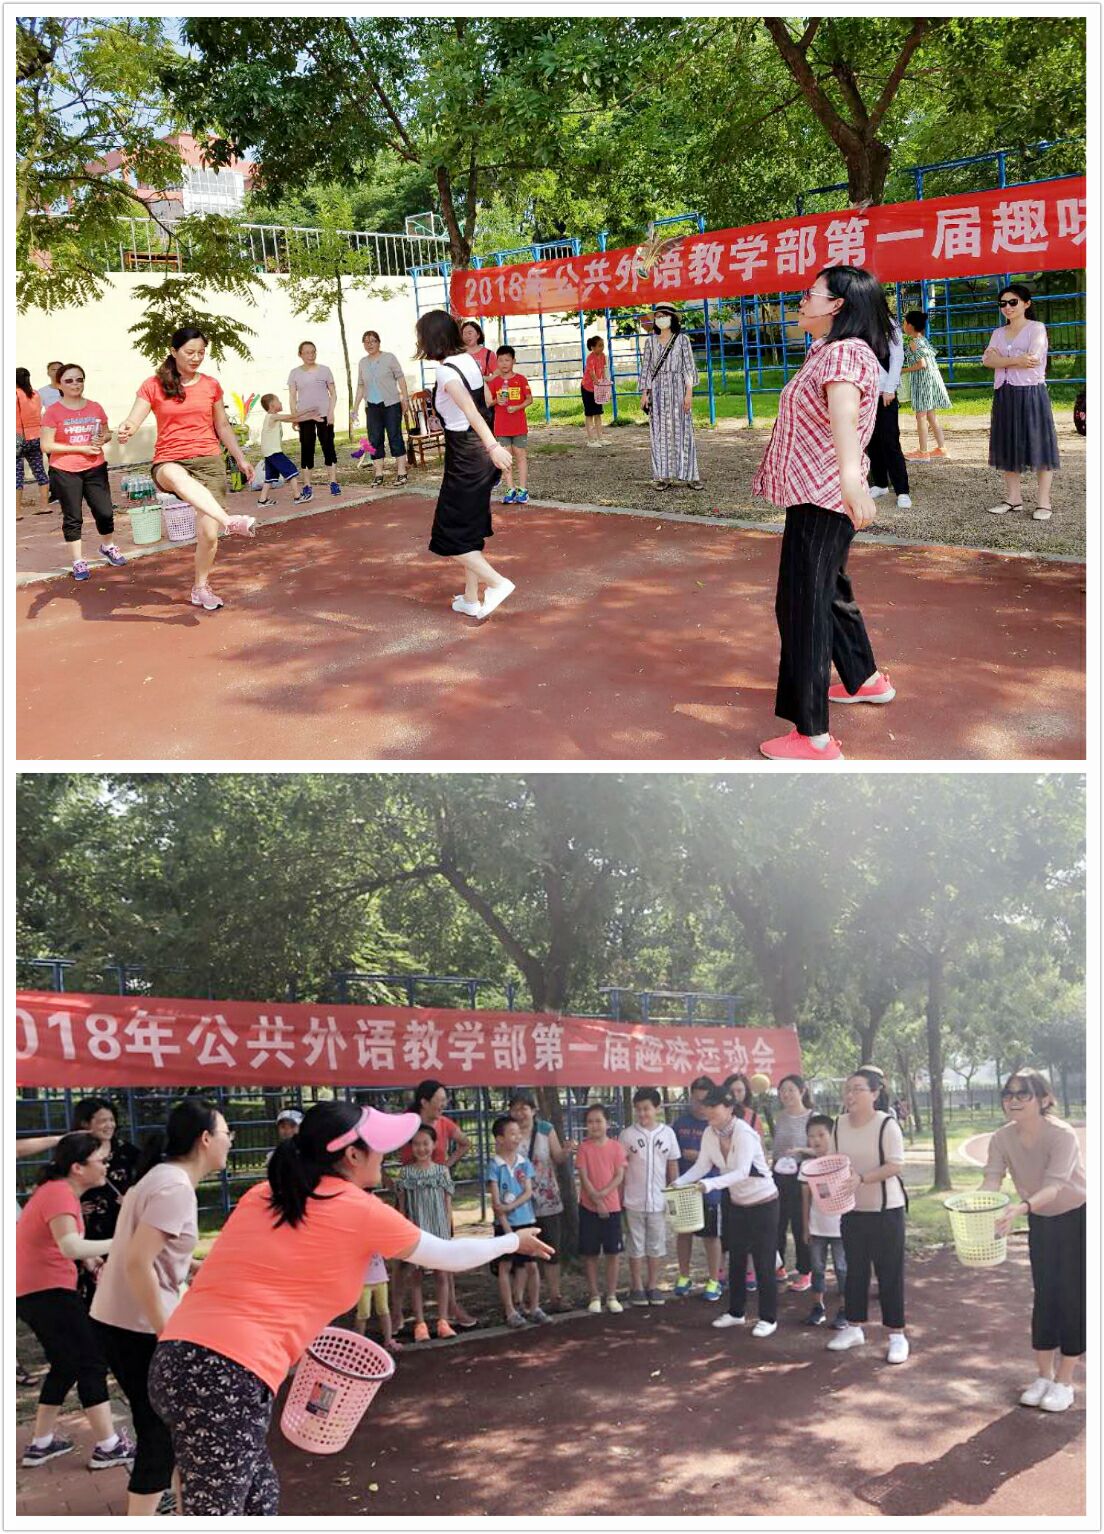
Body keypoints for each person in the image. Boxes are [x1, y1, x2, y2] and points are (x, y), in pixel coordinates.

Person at [147, 1101, 552, 1515]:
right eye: (378, 1146)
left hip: (183, 1359)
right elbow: (447, 1254)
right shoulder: (356, 1208)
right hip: (223, 1375)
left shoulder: (266, 1194)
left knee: (258, 1497)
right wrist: (513, 1241)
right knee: (216, 1513)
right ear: (353, 1155)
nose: (388, 1154)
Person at [752, 264, 895, 762]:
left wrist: (852, 481)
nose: (801, 301)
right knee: (828, 591)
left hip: (823, 496)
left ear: (837, 304)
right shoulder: (828, 349)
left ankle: (811, 735)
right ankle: (864, 678)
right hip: (816, 494)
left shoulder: (844, 354)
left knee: (802, 606)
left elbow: (846, 416)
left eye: (810, 294)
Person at [89, 1098, 230, 1517]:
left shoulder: (161, 1177)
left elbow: (146, 1252)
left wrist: (192, 1268)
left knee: (163, 1427)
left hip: (118, 1320)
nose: (231, 1141)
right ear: (205, 1139)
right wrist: (165, 1331)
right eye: (227, 1133)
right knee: (161, 1432)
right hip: (136, 1326)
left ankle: (167, 1505)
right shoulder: (174, 1188)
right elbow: (137, 1262)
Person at [16, 1133, 135, 1471]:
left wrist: (91, 1261)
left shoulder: (56, 1191)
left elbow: (62, 1243)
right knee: (91, 1362)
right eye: (101, 1161)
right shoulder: (59, 1194)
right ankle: (109, 1446)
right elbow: (69, 1246)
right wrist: (121, 1241)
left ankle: (41, 1443)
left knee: (67, 1364)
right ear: (78, 1167)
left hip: (35, 1290)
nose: (106, 1167)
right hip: (46, 1291)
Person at [116, 327, 257, 612]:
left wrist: (240, 458)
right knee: (176, 477)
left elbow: (222, 426)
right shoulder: (153, 385)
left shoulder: (211, 385)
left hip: (209, 461)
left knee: (209, 535)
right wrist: (126, 428)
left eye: (201, 353)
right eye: (190, 352)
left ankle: (200, 587)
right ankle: (229, 521)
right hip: (169, 460)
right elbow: (133, 419)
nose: (196, 358)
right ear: (173, 351)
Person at [981, 1068, 1085, 1413]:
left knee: (1072, 1296)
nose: (1013, 1101)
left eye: (1022, 1094)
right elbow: (992, 1180)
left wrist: (1020, 1208)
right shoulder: (1002, 1138)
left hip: (1076, 1218)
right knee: (1044, 1295)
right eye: (1008, 1094)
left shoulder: (1061, 1134)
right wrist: (981, 1209)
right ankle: (1043, 1376)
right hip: (1041, 1220)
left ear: (1043, 1099)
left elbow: (1055, 1186)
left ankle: (1065, 1381)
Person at [414, 309, 515, 621]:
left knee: (448, 533)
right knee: (468, 529)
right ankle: (471, 598)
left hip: (467, 456)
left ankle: (496, 583)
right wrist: (490, 446)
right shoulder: (468, 361)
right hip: (477, 455)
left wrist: (493, 446)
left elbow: (471, 410)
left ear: (431, 339)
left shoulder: (446, 372)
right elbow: (485, 402)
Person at [672, 1086, 780, 1338]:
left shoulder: (745, 1133)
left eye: (713, 1106)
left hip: (764, 1203)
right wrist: (679, 1182)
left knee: (763, 1262)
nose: (707, 1110)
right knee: (736, 1259)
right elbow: (702, 1165)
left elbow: (741, 1172)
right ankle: (736, 1312)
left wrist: (709, 1185)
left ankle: (768, 1318)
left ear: (729, 1108)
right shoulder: (709, 1132)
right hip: (737, 1204)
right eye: (705, 1106)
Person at [827, 1067, 909, 1364]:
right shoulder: (838, 1125)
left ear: (875, 1093)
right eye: (847, 1089)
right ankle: (854, 1327)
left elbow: (895, 1165)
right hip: (852, 1210)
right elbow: (834, 1162)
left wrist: (862, 1178)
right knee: (855, 1272)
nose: (850, 1095)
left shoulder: (886, 1124)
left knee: (889, 1273)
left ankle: (897, 1335)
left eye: (858, 1089)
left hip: (886, 1210)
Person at [395, 1080, 478, 1329]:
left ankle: (451, 1308)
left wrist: (445, 1167)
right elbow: (380, 1148)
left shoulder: (444, 1123)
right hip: (411, 1195)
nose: (444, 1104)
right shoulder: (406, 1123)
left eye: (445, 1099)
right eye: (440, 1100)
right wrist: (390, 1183)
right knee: (405, 1261)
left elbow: (466, 1143)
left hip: (436, 1200)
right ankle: (397, 1312)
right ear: (424, 1102)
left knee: (444, 1257)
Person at [40, 363, 126, 580]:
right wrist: (80, 448)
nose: (75, 384)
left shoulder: (95, 407)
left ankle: (108, 547)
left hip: (95, 467)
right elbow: (47, 445)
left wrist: (102, 438)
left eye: (79, 379)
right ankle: (78, 561)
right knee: (73, 516)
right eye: (69, 380)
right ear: (59, 384)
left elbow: (107, 433)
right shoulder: (52, 412)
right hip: (65, 470)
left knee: (105, 511)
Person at [983, 284, 1060, 522]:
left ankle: (1044, 502)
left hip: (1030, 392)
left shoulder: (1036, 328)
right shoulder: (998, 332)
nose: (1007, 307)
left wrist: (1002, 360)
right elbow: (987, 360)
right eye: (1003, 303)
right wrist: (1016, 359)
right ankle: (1013, 498)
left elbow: (1033, 360)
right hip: (1005, 393)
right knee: (1008, 444)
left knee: (1039, 445)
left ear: (1026, 303)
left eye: (1013, 302)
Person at [508, 1092, 576, 1312]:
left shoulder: (546, 1129)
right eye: (515, 1109)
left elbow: (557, 1157)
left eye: (524, 1108)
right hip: (519, 1204)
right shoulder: (509, 1131)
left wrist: (566, 1151)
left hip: (548, 1199)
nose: (520, 1113)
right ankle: (520, 1301)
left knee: (551, 1250)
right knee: (522, 1254)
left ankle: (555, 1296)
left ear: (533, 1110)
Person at [70, 1098, 141, 1306]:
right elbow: (61, 1185)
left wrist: (134, 1198)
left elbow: (146, 1181)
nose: (109, 1125)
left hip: (122, 1221)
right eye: (102, 1121)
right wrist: (74, 1207)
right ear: (85, 1124)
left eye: (111, 1120)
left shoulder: (127, 1151)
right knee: (92, 1287)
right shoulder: (74, 1151)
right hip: (87, 1226)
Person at [392, 1123, 456, 1341]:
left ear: (434, 1144)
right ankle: (420, 1323)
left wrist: (448, 1229)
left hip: (439, 1230)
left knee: (441, 1274)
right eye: (417, 1144)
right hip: (416, 1232)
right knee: (416, 1276)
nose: (421, 1148)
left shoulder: (442, 1171)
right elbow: (402, 1206)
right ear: (411, 1147)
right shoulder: (406, 1173)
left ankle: (443, 1321)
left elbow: (447, 1203)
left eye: (425, 1143)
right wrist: (403, 1231)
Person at [619, 1087, 681, 1306]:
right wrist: (620, 1197)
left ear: (657, 1108)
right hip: (633, 1200)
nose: (642, 1113)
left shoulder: (668, 1134)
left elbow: (672, 1165)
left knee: (656, 1244)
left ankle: (653, 1285)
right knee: (635, 1244)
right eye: (638, 1109)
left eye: (646, 1108)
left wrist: (674, 1192)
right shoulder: (627, 1135)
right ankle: (636, 1286)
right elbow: (621, 1168)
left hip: (658, 1200)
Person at [487, 1115, 545, 1326]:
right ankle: (510, 1310)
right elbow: (497, 1203)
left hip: (526, 1220)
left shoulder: (524, 1162)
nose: (517, 1137)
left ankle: (534, 1307)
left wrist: (509, 1207)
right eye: (512, 1133)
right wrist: (507, 1229)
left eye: (518, 1133)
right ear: (499, 1139)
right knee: (505, 1266)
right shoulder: (494, 1165)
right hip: (505, 1225)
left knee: (531, 1266)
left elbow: (528, 1192)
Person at [671, 1078, 724, 1301]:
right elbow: (672, 1156)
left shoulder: (718, 1125)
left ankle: (714, 1280)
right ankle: (684, 1276)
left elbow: (724, 1158)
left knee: (711, 1236)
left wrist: (700, 1157)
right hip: (685, 1189)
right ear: (690, 1097)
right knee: (684, 1233)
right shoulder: (679, 1123)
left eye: (705, 1101)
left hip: (710, 1189)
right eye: (696, 1100)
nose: (700, 1105)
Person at [639, 304, 701, 490]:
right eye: (658, 316)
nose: (661, 319)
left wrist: (689, 393)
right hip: (657, 392)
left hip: (678, 390)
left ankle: (691, 475)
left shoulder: (682, 340)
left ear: (672, 318)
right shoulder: (650, 342)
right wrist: (644, 394)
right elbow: (646, 369)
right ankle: (663, 476)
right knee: (659, 434)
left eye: (664, 315)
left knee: (684, 431)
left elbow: (688, 368)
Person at [574, 1103, 627, 1313]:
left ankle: (612, 1295)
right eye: (590, 1122)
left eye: (598, 1121)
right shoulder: (584, 1148)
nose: (594, 1125)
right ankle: (594, 1295)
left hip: (612, 1207)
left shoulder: (616, 1147)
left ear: (607, 1123)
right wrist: (596, 1200)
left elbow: (619, 1176)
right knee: (590, 1253)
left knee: (613, 1252)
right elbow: (583, 1176)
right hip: (588, 1207)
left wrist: (603, 1196)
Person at [798, 1113, 847, 1328]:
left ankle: (845, 1309)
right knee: (817, 1268)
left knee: (842, 1269)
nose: (816, 1140)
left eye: (821, 1134)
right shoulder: (807, 1167)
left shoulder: (842, 1163)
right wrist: (806, 1227)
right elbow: (805, 1199)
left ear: (832, 1135)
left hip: (841, 1228)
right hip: (817, 1227)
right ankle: (817, 1307)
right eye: (811, 1136)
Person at [351, 331, 411, 487]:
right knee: (374, 440)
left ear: (379, 342)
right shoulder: (362, 362)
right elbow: (360, 385)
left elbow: (400, 378)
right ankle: (378, 474)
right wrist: (355, 407)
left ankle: (402, 472)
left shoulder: (389, 358)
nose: (369, 344)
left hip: (391, 404)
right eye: (366, 342)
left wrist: (405, 398)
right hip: (372, 406)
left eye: (372, 341)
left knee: (395, 437)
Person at [772, 1073, 814, 1291]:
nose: (786, 1094)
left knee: (800, 1224)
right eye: (782, 1090)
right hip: (779, 1174)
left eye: (790, 1090)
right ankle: (778, 1266)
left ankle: (805, 1271)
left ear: (802, 1091)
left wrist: (801, 1150)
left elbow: (824, 1148)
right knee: (776, 1223)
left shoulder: (813, 1117)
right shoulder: (780, 1117)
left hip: (802, 1176)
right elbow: (776, 1150)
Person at [866, 318, 911, 509]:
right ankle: (880, 483)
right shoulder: (856, 320)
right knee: (871, 440)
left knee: (890, 441)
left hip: (885, 392)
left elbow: (897, 357)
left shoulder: (889, 324)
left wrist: (890, 388)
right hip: (864, 393)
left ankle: (902, 490)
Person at [286, 340, 339, 501]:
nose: (310, 355)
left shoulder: (325, 370)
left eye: (313, 352)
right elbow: (292, 397)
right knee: (307, 449)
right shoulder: (294, 373)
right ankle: (307, 485)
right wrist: (294, 416)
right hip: (305, 417)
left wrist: (331, 412)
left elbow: (333, 394)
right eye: (307, 352)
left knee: (328, 447)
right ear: (300, 354)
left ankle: (333, 482)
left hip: (324, 415)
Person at [900, 310, 951, 460]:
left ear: (910, 325)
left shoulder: (914, 342)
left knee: (921, 416)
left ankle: (923, 452)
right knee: (931, 415)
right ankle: (942, 448)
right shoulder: (923, 340)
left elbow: (921, 364)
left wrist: (902, 370)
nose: (903, 325)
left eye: (904, 322)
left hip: (922, 381)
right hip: (931, 379)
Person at [486, 346, 533, 505]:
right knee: (505, 459)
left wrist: (517, 407)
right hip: (501, 427)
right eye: (500, 360)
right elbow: (488, 402)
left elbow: (529, 399)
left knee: (520, 456)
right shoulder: (495, 381)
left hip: (519, 426)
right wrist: (496, 401)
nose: (504, 363)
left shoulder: (521, 379)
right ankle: (510, 489)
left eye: (507, 360)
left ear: (514, 361)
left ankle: (522, 489)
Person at [253, 395, 302, 507]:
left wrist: (306, 418)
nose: (281, 403)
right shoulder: (272, 417)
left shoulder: (274, 417)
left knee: (270, 477)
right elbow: (293, 416)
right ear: (272, 405)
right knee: (291, 471)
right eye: (278, 401)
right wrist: (310, 411)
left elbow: (291, 419)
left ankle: (262, 500)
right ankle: (297, 496)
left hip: (269, 452)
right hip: (274, 452)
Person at [15, 367, 50, 514]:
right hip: (36, 436)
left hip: (17, 437)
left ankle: (16, 511)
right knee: (40, 471)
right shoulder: (35, 394)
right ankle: (45, 506)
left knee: (16, 475)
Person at [353, 1252, 400, 1355]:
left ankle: (388, 1340)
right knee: (363, 1313)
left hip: (380, 1279)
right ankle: (358, 1344)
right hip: (363, 1282)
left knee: (384, 1310)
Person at [581, 336, 609, 445]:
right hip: (587, 388)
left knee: (598, 413)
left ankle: (600, 438)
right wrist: (597, 382)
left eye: (603, 345)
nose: (602, 348)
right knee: (589, 414)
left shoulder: (603, 356)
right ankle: (591, 440)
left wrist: (604, 380)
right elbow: (591, 372)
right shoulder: (590, 358)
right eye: (599, 346)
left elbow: (603, 369)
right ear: (592, 347)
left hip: (597, 389)